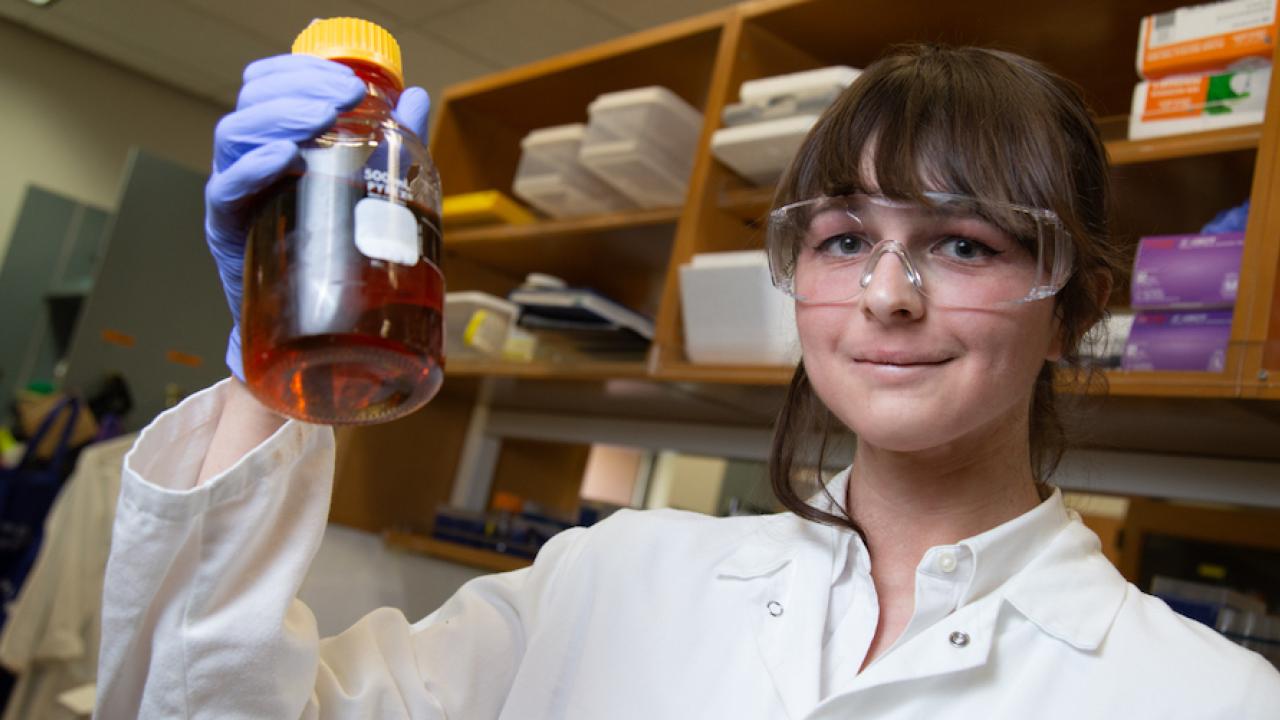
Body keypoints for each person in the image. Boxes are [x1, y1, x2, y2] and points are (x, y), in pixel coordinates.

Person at [94, 45, 1280, 719]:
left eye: (963, 244)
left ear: (1069, 302)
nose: (886, 294)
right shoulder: (609, 579)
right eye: (841, 239)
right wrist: (274, 333)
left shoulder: (1203, 699)